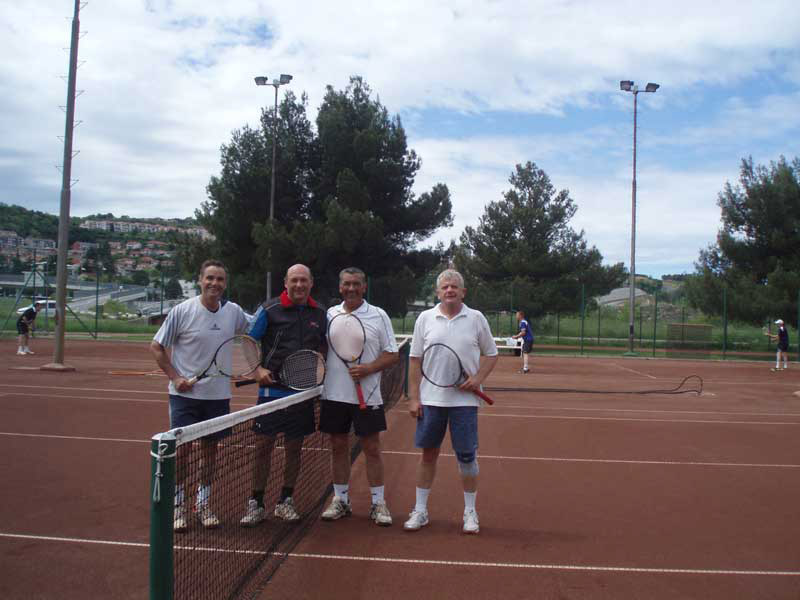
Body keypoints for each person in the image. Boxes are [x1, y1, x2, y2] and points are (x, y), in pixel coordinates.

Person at [150, 260, 251, 532]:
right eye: (210, 278)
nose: (214, 283)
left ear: (225, 284)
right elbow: (157, 346)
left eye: (220, 279)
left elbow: (257, 328)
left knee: (209, 453)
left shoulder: (233, 312)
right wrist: (175, 377)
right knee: (182, 453)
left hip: (217, 398)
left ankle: (203, 504)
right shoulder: (182, 311)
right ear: (200, 280)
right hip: (184, 397)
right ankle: (178, 506)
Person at [404, 269, 498, 535]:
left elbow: (491, 354)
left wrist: (477, 379)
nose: (449, 290)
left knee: (467, 456)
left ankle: (470, 512)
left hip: (465, 403)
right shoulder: (425, 318)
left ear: (463, 292)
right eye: (445, 287)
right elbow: (415, 360)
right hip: (431, 401)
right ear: (438, 292)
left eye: (454, 286)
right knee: (428, 455)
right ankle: (420, 510)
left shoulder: (476, 318)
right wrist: (414, 398)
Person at [240, 264, 328, 527]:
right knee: (263, 447)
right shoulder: (269, 309)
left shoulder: (320, 313)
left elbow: (324, 344)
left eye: (303, 280)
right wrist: (257, 370)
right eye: (294, 280)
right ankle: (256, 503)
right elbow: (247, 340)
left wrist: (321, 366)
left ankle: (285, 501)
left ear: (311, 283)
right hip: (271, 393)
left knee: (294, 448)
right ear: (286, 283)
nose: (299, 285)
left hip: (302, 394)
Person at [319, 267, 399, 526]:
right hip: (334, 394)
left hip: (369, 395)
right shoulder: (329, 314)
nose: (351, 288)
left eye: (356, 284)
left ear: (364, 287)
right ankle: (340, 500)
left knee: (371, 448)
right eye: (346, 284)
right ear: (340, 287)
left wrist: (369, 368)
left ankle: (378, 503)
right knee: (337, 446)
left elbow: (392, 354)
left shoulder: (378, 315)